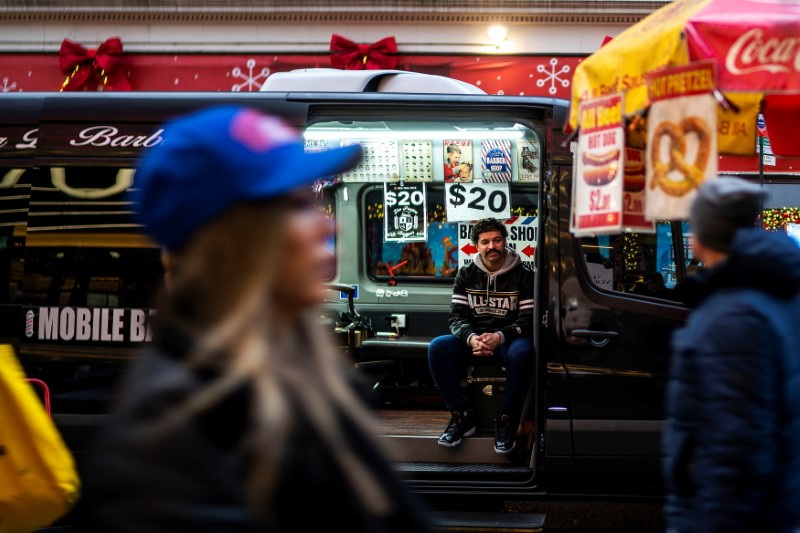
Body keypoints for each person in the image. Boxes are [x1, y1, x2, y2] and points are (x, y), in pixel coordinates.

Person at [78, 106, 434, 532]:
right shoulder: (169, 428)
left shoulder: (305, 378)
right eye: (300, 204)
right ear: (237, 240)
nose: (329, 229)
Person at [663, 177, 800, 533]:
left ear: (706, 233)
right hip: (776, 502)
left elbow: (735, 450)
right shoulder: (775, 289)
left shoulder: (732, 316)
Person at [428, 218, 533, 453]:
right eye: (485, 242)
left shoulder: (524, 274)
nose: (491, 246)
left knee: (526, 350)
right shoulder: (466, 274)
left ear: (505, 242)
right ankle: (462, 415)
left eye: (496, 240)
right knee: (437, 347)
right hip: (475, 342)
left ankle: (506, 419)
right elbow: (456, 317)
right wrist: (472, 338)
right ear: (477, 246)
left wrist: (500, 336)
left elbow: (527, 320)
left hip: (508, 342)